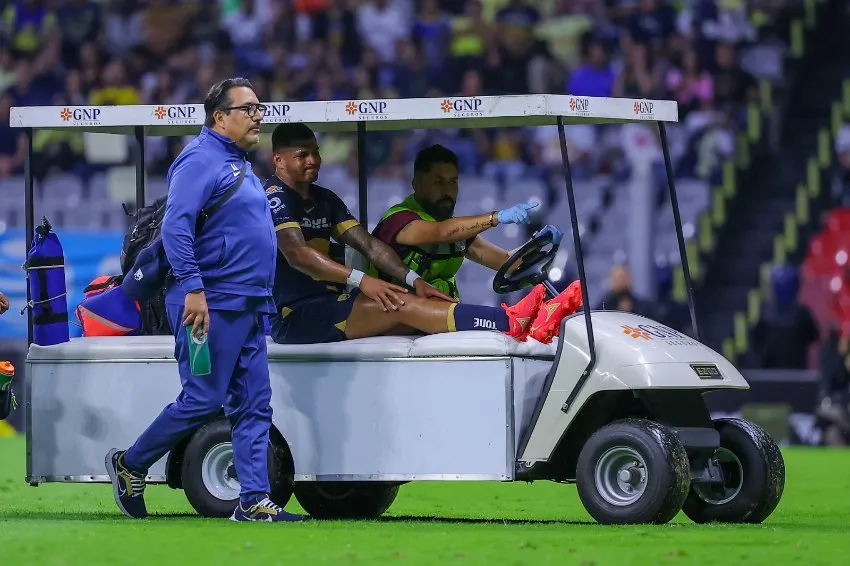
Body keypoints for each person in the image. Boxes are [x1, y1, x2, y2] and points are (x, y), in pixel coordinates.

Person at [105, 78, 303, 523]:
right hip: (207, 305)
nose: (258, 116)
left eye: (260, 108)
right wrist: (194, 288)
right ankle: (130, 463)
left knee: (254, 405)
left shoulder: (239, 163)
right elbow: (176, 228)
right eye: (248, 109)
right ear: (220, 117)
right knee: (202, 398)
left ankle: (253, 501)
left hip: (248, 306)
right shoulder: (198, 160)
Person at [265, 123, 583, 346]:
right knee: (405, 305)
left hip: (338, 302)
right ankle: (512, 323)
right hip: (298, 315)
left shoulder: (325, 199)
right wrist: (497, 217)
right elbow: (298, 254)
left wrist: (414, 280)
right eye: (302, 155)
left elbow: (370, 247)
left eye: (315, 152)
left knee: (424, 312)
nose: (313, 160)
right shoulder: (274, 197)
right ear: (278, 160)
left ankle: (531, 320)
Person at [369, 143, 563, 301]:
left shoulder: (456, 233)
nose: (448, 191)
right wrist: (496, 217)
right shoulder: (399, 219)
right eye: (438, 182)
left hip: (439, 316)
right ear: (416, 185)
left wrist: (540, 243)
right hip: (394, 314)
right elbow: (439, 233)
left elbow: (507, 263)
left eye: (453, 182)